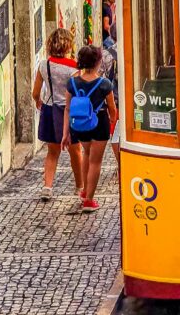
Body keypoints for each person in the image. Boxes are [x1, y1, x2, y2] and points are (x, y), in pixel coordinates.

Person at [63, 45, 117, 212]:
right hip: (99, 122)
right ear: (98, 62)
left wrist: (65, 133)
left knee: (87, 153)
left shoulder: (72, 82)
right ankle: (89, 201)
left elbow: (67, 108)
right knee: (95, 161)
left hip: (79, 125)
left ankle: (85, 190)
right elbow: (112, 108)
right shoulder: (104, 84)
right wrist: (113, 120)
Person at [31, 29, 84, 201]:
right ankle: (79, 187)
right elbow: (78, 92)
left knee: (52, 151)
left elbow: (35, 92)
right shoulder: (74, 68)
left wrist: (39, 101)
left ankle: (47, 187)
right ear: (68, 46)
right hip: (69, 111)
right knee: (75, 151)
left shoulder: (43, 65)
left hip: (49, 109)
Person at [102, 30, 121, 168]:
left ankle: (120, 163)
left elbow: (100, 78)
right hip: (137, 98)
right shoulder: (138, 45)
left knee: (115, 134)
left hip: (115, 99)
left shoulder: (107, 54)